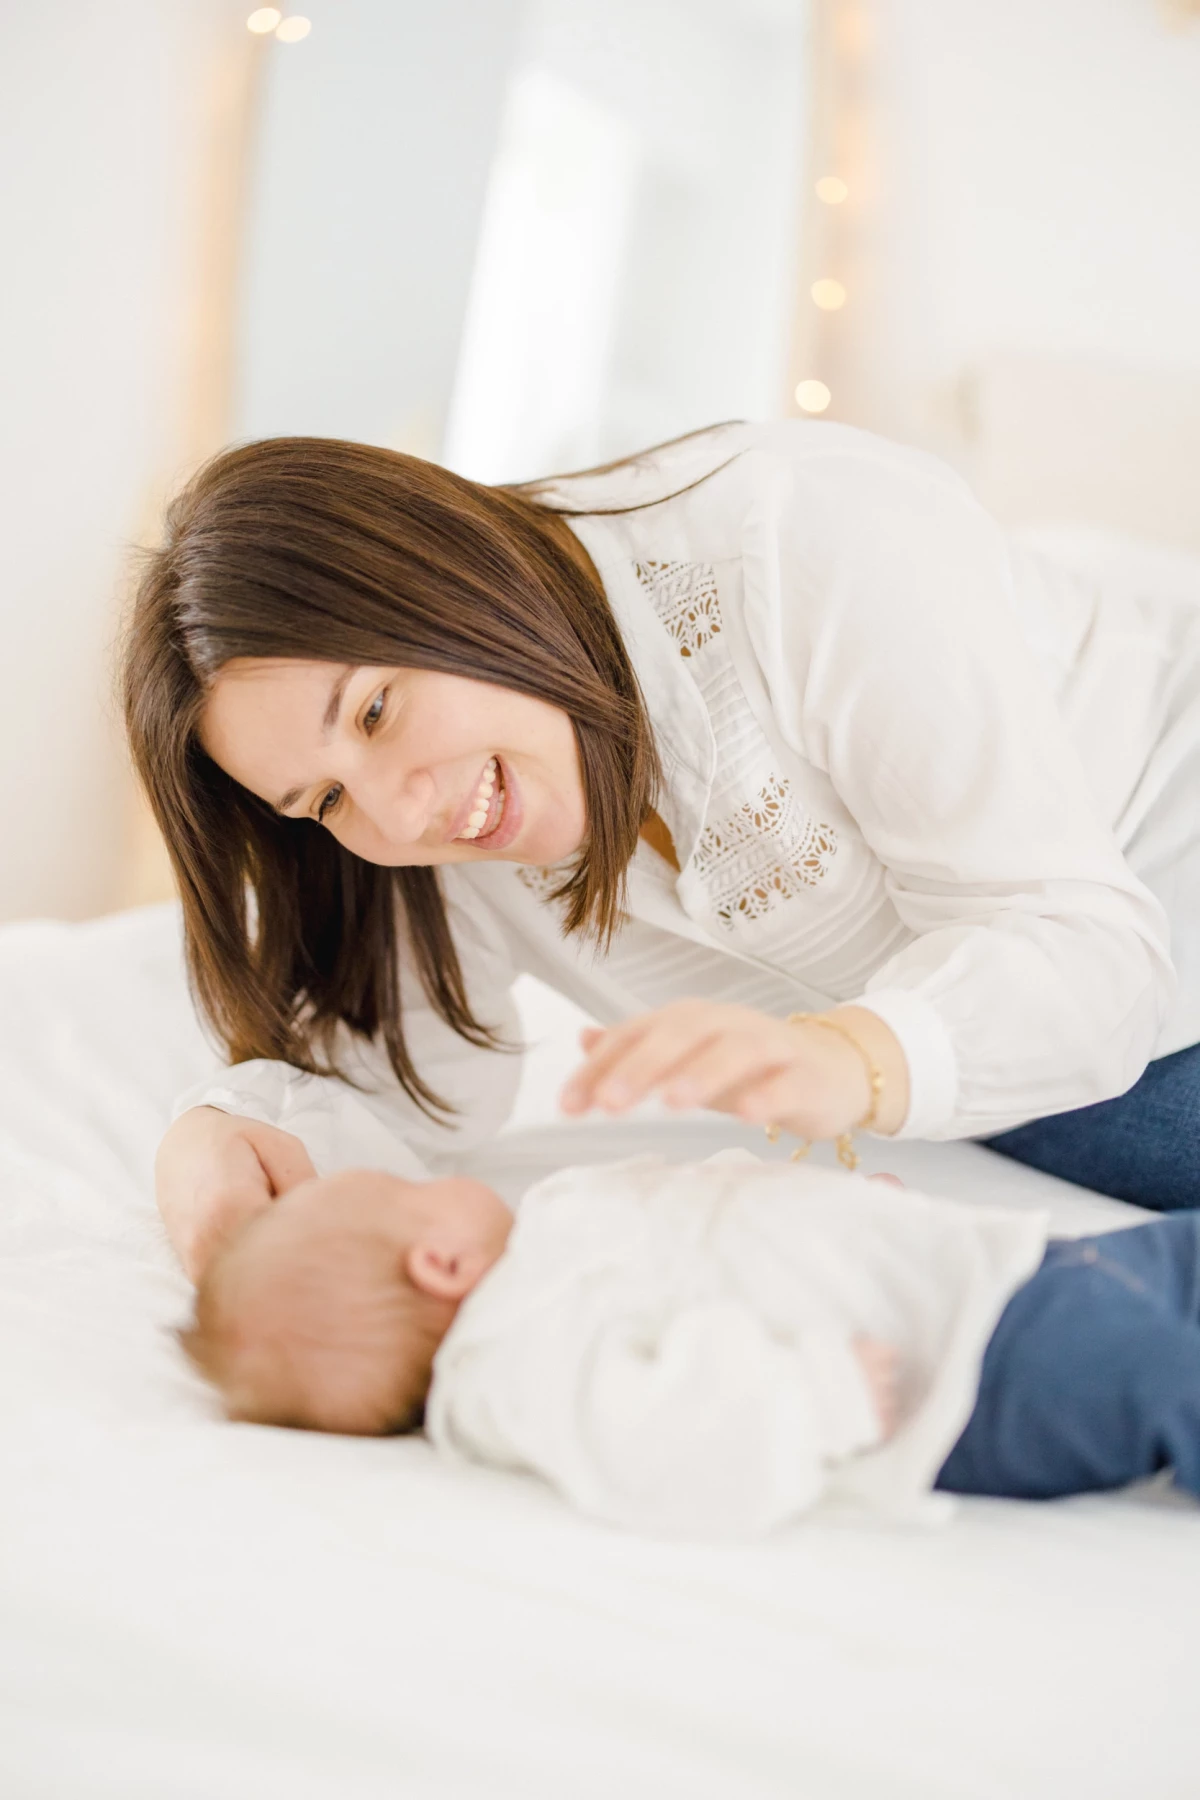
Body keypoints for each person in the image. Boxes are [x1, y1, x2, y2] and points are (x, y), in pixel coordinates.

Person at [123, 421, 1200, 1276]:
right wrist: (218, 1132)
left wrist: (849, 1059)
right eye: (321, 803)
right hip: (1044, 1080)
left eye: (372, 714)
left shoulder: (795, 532)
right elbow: (393, 1086)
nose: (401, 820)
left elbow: (1089, 952)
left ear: (444, 578)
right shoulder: (446, 820)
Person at [180, 1154, 1200, 1537]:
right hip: (974, 1372)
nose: (429, 1176)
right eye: (404, 1188)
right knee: (1158, 1375)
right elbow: (663, 1440)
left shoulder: (550, 1245)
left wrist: (844, 1223)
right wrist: (819, 1393)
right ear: (438, 1261)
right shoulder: (516, 1367)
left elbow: (723, 1242)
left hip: (995, 1269)